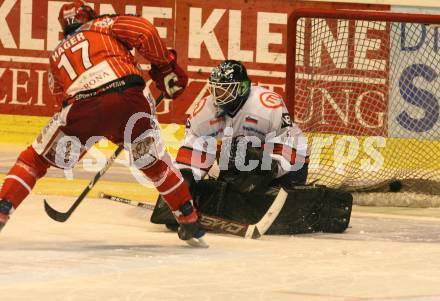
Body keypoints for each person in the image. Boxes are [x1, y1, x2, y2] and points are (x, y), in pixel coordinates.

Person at [0, 0, 204, 242]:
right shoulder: (103, 24)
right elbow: (145, 31)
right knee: (154, 162)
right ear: (89, 15)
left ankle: (3, 210)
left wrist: (101, 126)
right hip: (130, 98)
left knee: (34, 161)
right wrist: (164, 65)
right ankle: (187, 217)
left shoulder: (55, 56)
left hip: (83, 106)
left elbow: (61, 99)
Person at [150, 60, 353, 234]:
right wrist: (183, 182)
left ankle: (266, 192)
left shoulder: (267, 104)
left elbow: (290, 144)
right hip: (241, 158)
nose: (217, 96)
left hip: (288, 163)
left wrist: (269, 170)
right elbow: (194, 150)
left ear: (241, 88)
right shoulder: (205, 110)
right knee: (233, 167)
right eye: (215, 89)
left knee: (252, 166)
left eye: (224, 90)